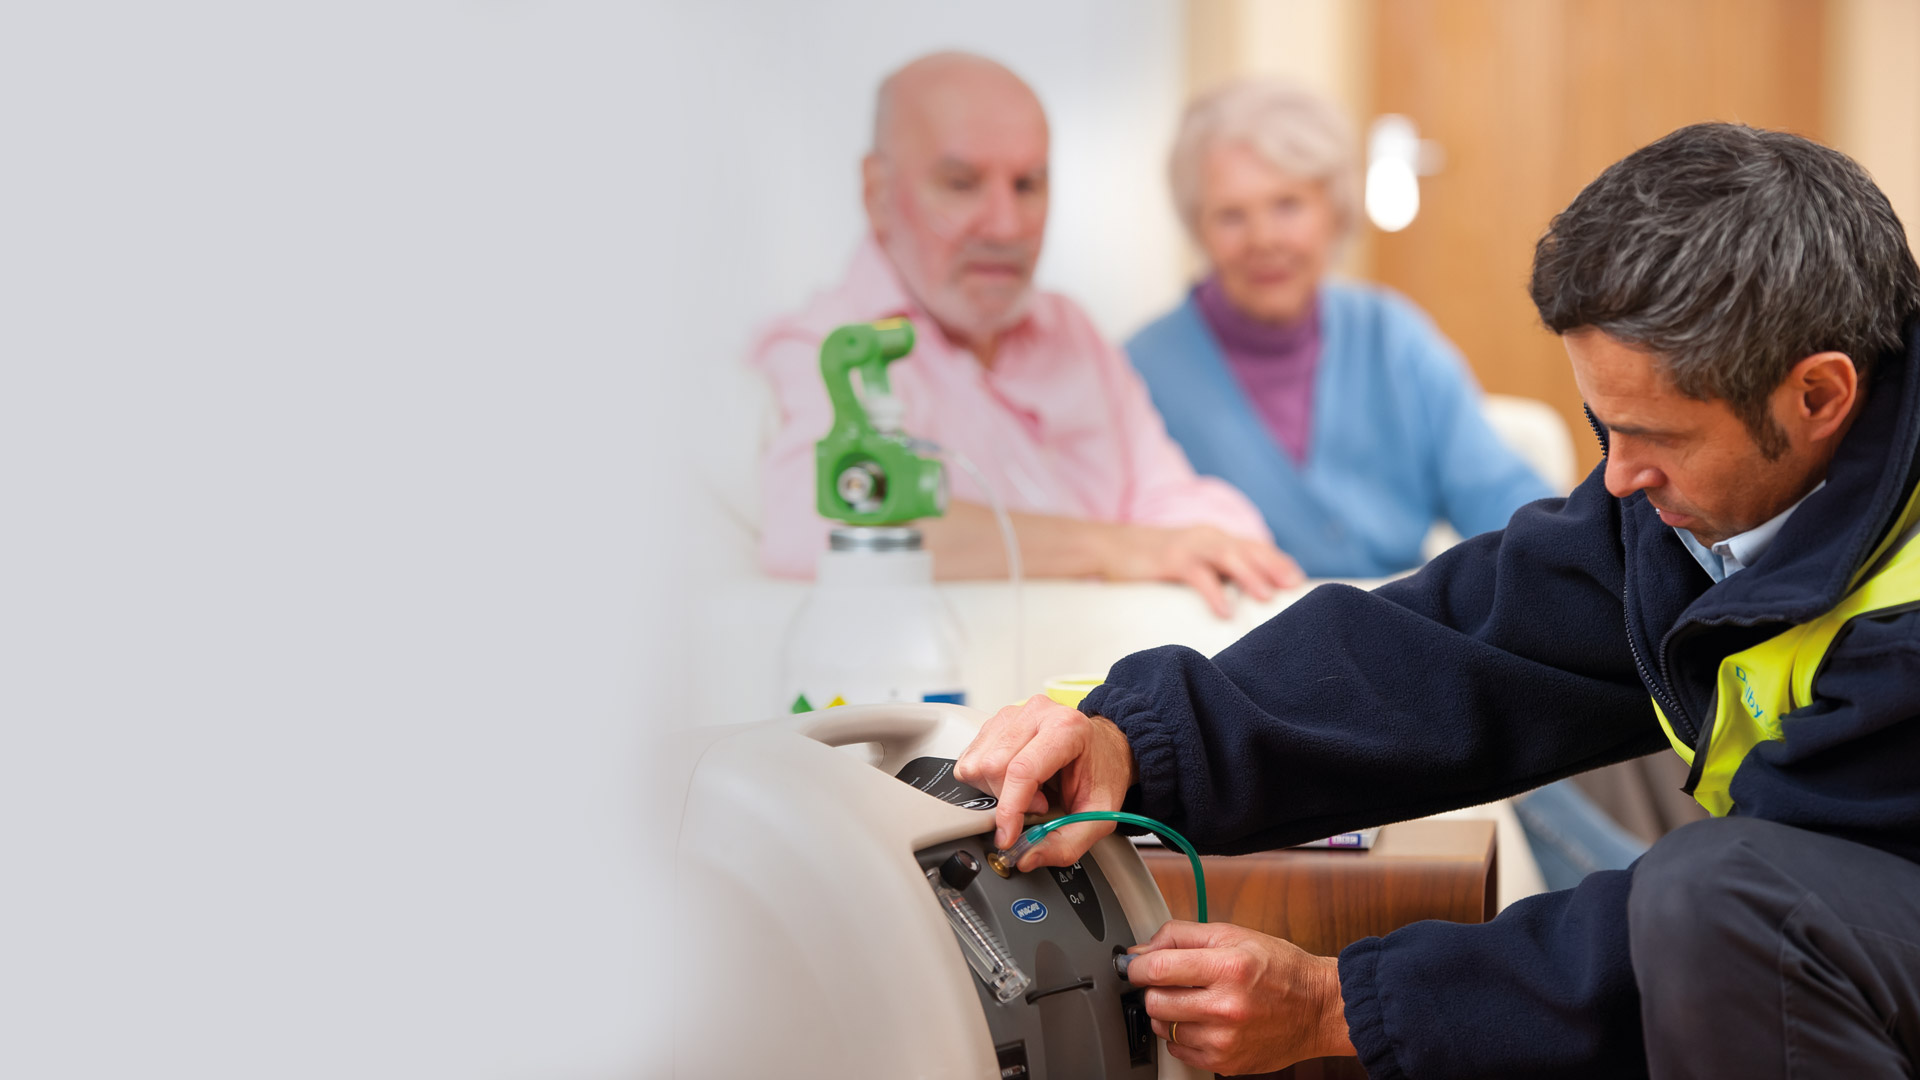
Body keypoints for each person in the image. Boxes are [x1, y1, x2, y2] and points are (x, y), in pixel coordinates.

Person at [955, 122, 1920, 1077]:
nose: (1618, 478)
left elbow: (1758, 920)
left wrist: (1347, 1005)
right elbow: (1458, 644)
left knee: (1708, 896)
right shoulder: (1697, 502)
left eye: (1654, 435)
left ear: (1820, 396)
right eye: (1603, 429)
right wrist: (1139, 742)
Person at [751, 52, 1301, 617]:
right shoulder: (827, 347)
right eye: (961, 184)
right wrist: (1115, 547)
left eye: (1028, 184)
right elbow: (813, 521)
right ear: (877, 193)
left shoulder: (1071, 332)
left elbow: (1174, 499)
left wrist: (1210, 543)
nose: (1007, 225)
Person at [1128, 79, 1554, 577]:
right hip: (1231, 643)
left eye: (1288, 205)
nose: (1264, 239)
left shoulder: (1392, 336)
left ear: (1335, 212)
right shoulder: (1138, 373)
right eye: (1231, 215)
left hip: (1400, 629)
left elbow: (1497, 493)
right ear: (1197, 227)